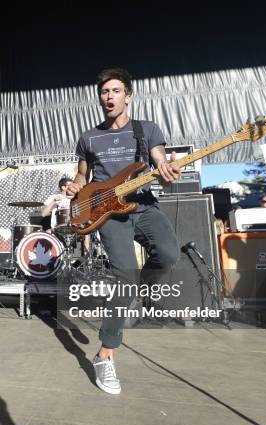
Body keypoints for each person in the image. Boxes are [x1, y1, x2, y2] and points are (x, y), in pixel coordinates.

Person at [67, 68, 181, 395]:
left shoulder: (146, 130)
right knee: (125, 276)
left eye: (115, 91)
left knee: (169, 253)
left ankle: (137, 294)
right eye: (104, 92)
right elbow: (82, 175)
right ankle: (106, 355)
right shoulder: (89, 137)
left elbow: (158, 158)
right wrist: (75, 185)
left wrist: (165, 168)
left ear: (127, 96)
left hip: (143, 204)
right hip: (109, 213)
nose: (109, 97)